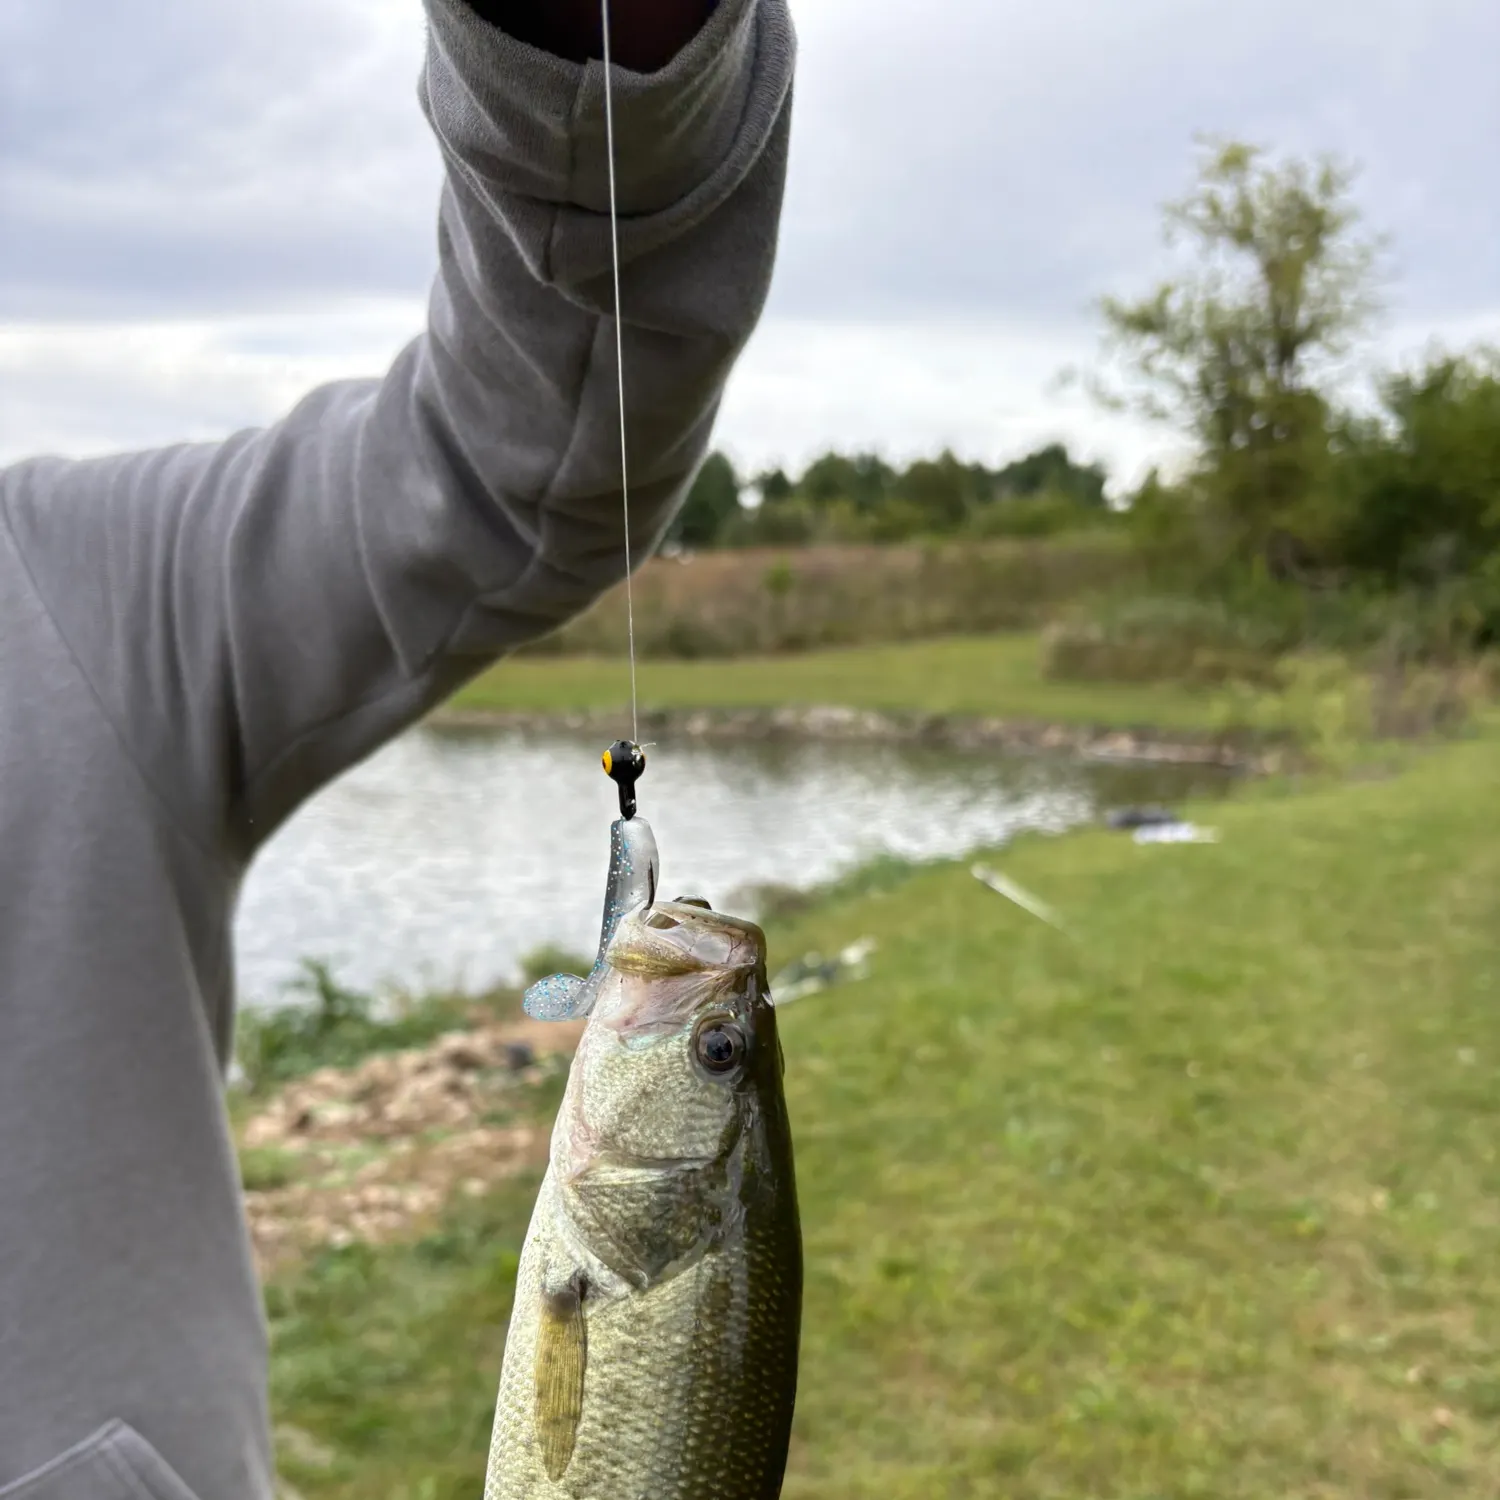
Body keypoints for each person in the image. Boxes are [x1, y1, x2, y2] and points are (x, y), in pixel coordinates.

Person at [0, 0, 794, 1494]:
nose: (706, 1003)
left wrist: (593, 56)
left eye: (711, 1040)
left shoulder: (71, 584)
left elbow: (519, 463)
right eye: (714, 1043)